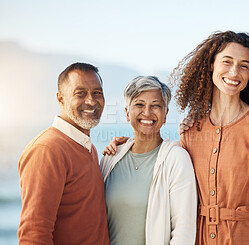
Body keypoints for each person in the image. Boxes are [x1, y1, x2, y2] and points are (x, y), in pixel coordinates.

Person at [171, 31, 249, 244]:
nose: (234, 72)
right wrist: (128, 145)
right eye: (227, 62)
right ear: (211, 65)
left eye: (244, 66)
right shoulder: (190, 130)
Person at [18, 62, 109, 244]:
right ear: (60, 99)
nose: (91, 101)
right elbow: (34, 234)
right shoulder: (47, 150)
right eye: (80, 93)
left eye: (97, 93)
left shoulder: (88, 148)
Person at [100, 76, 197, 244]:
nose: (147, 112)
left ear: (165, 115)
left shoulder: (176, 159)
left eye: (156, 106)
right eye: (139, 104)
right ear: (127, 112)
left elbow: (183, 231)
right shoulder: (110, 158)